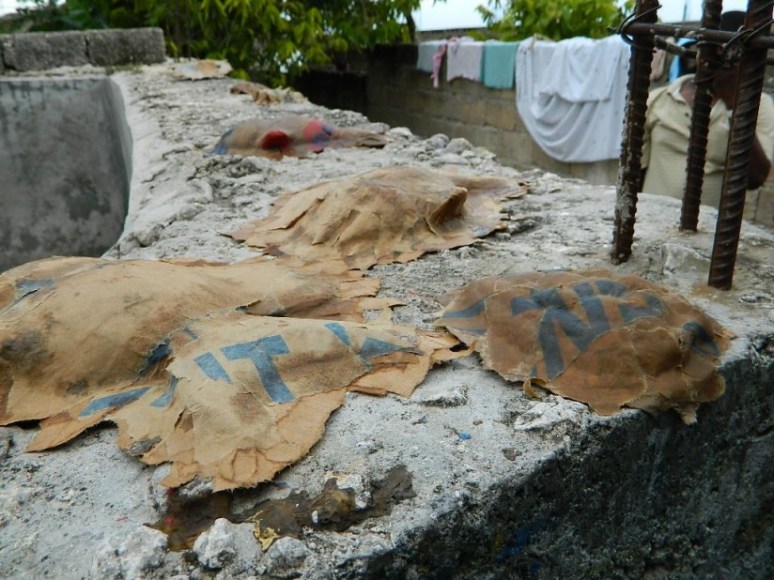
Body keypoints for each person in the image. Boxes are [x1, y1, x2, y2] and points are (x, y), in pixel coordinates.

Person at [641, 11, 774, 208]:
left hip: (709, 232)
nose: (725, 61)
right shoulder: (660, 98)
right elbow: (636, 170)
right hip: (650, 221)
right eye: (719, 51)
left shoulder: (759, 105)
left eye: (735, 54)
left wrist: (733, 104)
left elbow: (755, 178)